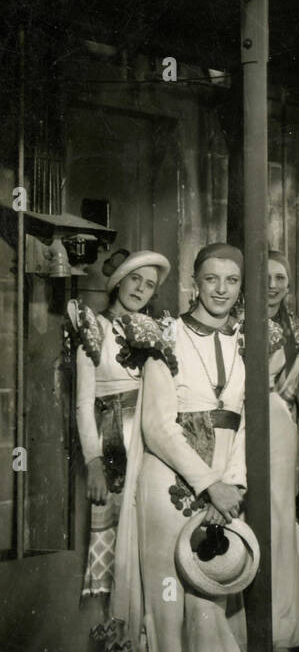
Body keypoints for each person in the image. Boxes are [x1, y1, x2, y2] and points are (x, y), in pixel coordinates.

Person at [112, 244, 250, 652]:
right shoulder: (164, 337)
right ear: (195, 282)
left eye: (231, 281)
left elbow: (243, 426)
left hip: (219, 496)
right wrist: (210, 483)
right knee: (168, 614)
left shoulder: (242, 344)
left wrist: (231, 490)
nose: (221, 290)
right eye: (212, 280)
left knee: (210, 613)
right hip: (166, 490)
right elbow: (158, 427)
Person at [67, 250, 171, 610]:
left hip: (150, 442)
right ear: (119, 281)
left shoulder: (156, 330)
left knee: (148, 536)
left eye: (149, 285)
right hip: (112, 443)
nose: (140, 289)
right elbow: (83, 402)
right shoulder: (93, 327)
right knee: (110, 541)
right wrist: (93, 461)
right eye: (135, 279)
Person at [264, 252, 299, 652]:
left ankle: (278, 629)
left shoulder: (295, 329)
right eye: (265, 277)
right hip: (237, 424)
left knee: (280, 522)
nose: (273, 284)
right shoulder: (232, 321)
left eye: (281, 277)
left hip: (280, 430)